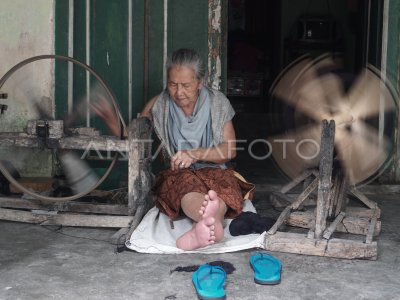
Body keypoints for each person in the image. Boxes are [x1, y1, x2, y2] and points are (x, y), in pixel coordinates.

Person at [93, 48, 254, 250]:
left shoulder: (217, 103)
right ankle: (208, 219)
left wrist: (194, 154)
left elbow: (229, 150)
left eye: (186, 85)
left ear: (200, 82)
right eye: (172, 84)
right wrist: (111, 120)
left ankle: (208, 220)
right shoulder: (159, 104)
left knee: (223, 187)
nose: (179, 92)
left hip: (215, 169)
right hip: (180, 172)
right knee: (184, 187)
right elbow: (131, 136)